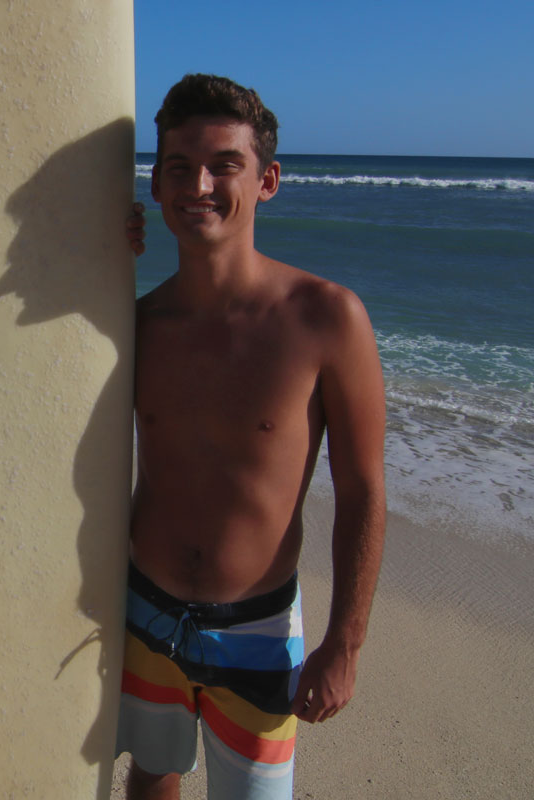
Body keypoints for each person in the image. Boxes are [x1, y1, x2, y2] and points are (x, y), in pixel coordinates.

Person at [117, 74, 386, 799]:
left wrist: (345, 644)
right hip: (144, 609)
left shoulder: (327, 319)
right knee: (151, 773)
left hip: (260, 630)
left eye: (222, 166)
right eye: (178, 166)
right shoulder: (131, 324)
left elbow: (363, 490)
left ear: (266, 180)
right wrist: (89, 256)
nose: (197, 184)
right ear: (155, 184)